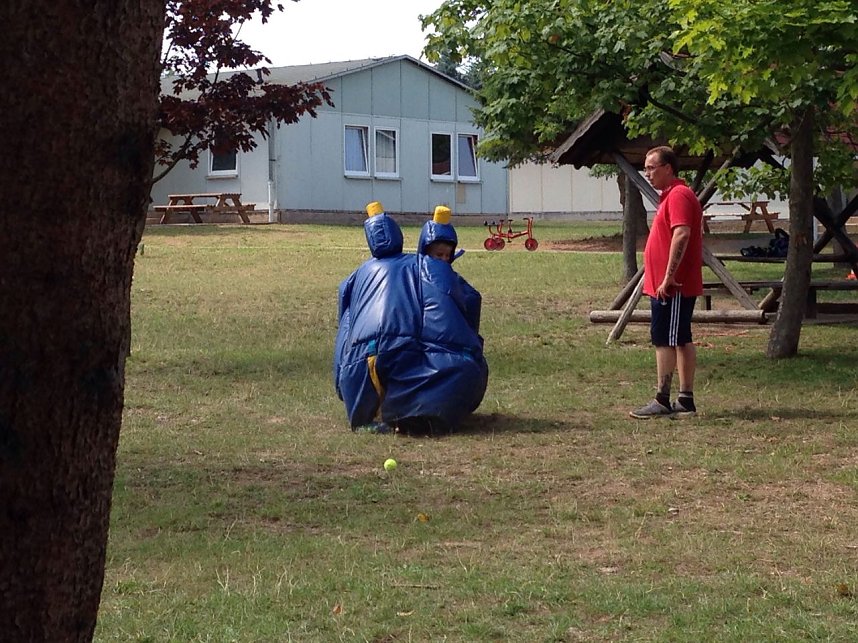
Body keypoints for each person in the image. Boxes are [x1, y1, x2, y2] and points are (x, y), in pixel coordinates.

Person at [630, 146, 703, 419]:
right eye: (646, 168)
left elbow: (682, 234)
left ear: (668, 168)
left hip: (673, 286)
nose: (647, 173)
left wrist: (668, 276)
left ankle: (663, 399)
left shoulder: (679, 195)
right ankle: (685, 400)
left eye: (652, 167)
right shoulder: (671, 196)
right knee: (681, 338)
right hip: (666, 284)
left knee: (665, 339)